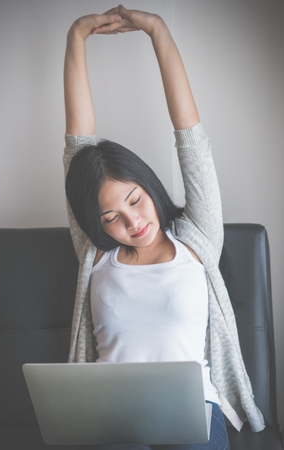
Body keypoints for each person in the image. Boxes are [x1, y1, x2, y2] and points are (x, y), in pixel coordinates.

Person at [63, 5, 264, 449]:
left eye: (135, 200)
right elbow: (77, 148)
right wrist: (75, 38)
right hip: (109, 412)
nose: (132, 222)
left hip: (193, 410)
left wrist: (157, 31)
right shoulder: (94, 256)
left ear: (150, 186)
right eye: (110, 217)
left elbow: (191, 141)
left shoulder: (197, 239)